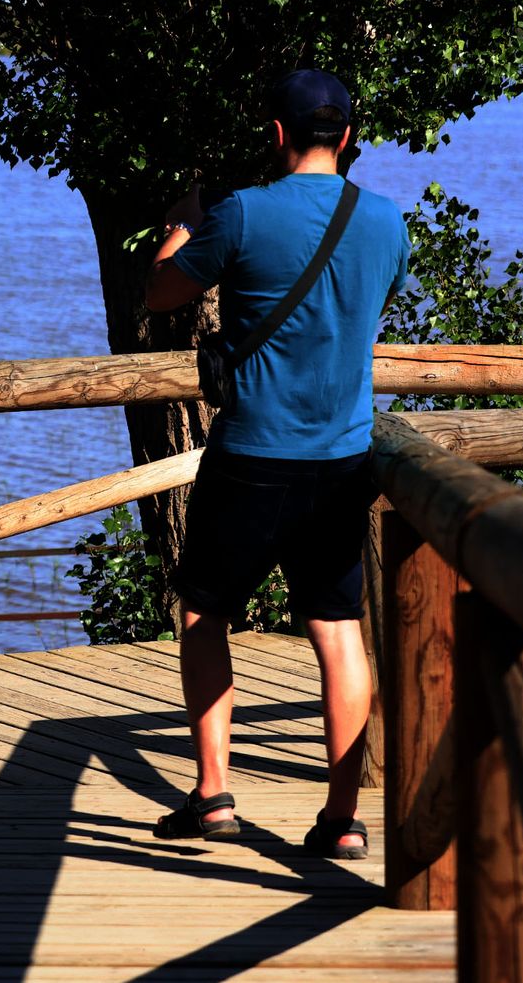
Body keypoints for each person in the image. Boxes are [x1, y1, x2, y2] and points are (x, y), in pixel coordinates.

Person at [143, 70, 409, 858]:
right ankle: (343, 817)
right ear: (348, 137)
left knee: (204, 614)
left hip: (252, 454)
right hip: (343, 456)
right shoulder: (386, 220)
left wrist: (181, 226)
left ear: (277, 132)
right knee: (338, 630)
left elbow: (161, 294)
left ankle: (213, 795)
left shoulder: (243, 212)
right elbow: (371, 304)